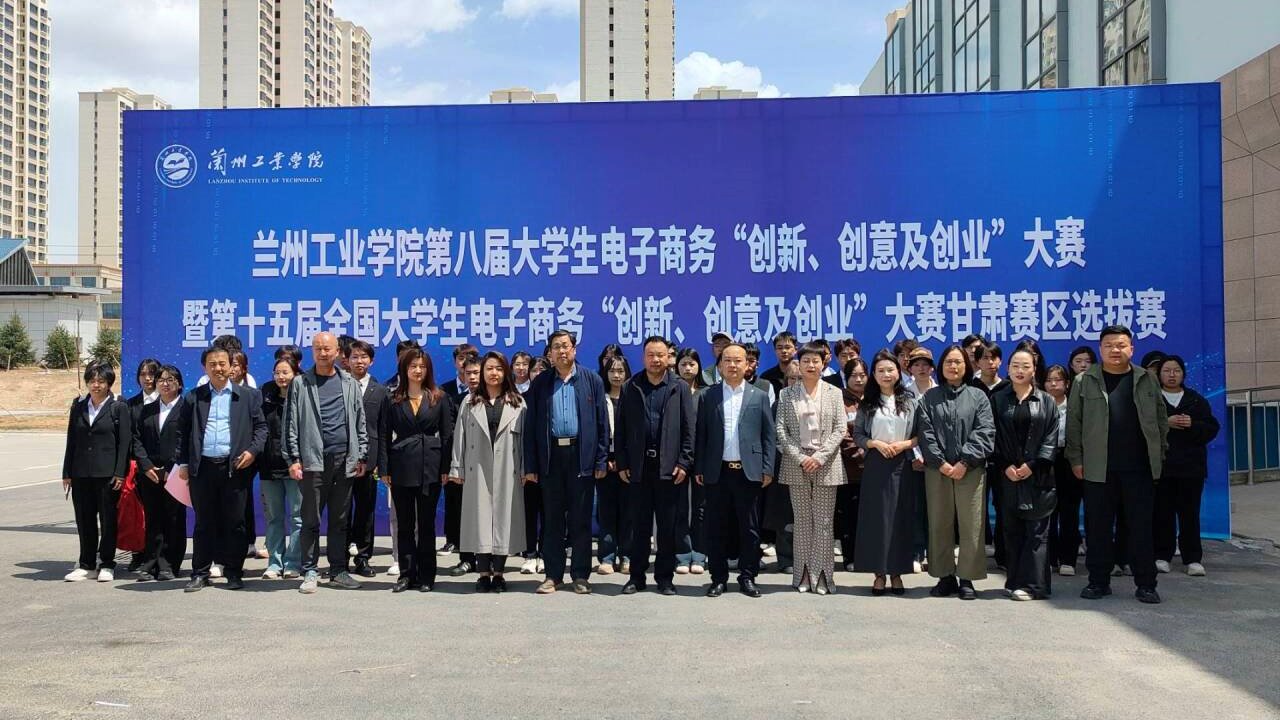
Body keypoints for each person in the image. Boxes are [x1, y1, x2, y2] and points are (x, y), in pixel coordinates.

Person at [1066, 325, 1169, 604]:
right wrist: (1076, 459)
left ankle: (1146, 584)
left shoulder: (1146, 378)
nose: (1115, 350)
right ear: (1100, 349)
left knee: (1141, 528)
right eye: (1109, 345)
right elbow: (1074, 423)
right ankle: (1098, 582)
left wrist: (1159, 455)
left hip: (1139, 468)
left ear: (1131, 349)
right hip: (1098, 468)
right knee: (1098, 528)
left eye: (1121, 345)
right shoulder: (1084, 380)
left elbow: (1161, 420)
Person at [523, 329, 609, 595]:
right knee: (552, 520)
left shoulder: (591, 380)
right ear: (549, 353)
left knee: (580, 520)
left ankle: (580, 575)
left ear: (574, 349)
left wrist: (601, 460)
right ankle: (553, 575)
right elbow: (530, 426)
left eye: (565, 346)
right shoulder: (541, 383)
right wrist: (531, 465)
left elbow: (602, 424)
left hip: (580, 456)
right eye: (556, 347)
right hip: (551, 458)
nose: (561, 351)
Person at [176, 347, 267, 592]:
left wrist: (252, 452)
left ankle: (234, 572)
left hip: (234, 467)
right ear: (205, 367)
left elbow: (261, 429)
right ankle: (200, 573)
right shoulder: (193, 397)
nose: (218, 368)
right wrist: (183, 463)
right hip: (202, 468)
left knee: (235, 522)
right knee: (204, 522)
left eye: (223, 363)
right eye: (212, 364)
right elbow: (182, 432)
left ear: (231, 366)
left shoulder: (248, 396)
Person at [285, 332, 369, 594]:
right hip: (313, 462)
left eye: (327, 349)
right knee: (310, 519)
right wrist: (293, 459)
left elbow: (360, 421)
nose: (322, 353)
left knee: (340, 520)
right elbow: (291, 423)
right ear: (312, 351)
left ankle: (338, 570)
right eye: (318, 348)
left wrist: (361, 454)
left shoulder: (349, 383)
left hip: (344, 460)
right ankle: (309, 570)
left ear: (338, 352)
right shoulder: (300, 383)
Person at [616, 336, 695, 596]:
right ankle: (636, 577)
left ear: (668, 357)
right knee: (639, 526)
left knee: (667, 528)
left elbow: (689, 429)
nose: (656, 360)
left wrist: (684, 462)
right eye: (651, 355)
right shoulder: (631, 386)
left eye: (660, 355)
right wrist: (623, 462)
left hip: (669, 469)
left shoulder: (679, 387)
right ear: (643, 358)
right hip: (639, 468)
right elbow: (622, 428)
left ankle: (664, 578)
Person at [695, 343, 775, 598]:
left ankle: (748, 576)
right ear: (719, 365)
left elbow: (768, 436)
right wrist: (700, 467)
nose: (732, 365)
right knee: (716, 527)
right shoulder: (708, 396)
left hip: (748, 473)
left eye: (738, 360)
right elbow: (701, 435)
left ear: (747, 364)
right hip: (717, 471)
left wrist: (767, 468)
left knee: (749, 529)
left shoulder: (759, 396)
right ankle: (718, 578)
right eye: (727, 360)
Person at [917, 345, 995, 601]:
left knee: (971, 525)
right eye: (949, 362)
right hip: (937, 469)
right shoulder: (929, 398)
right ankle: (945, 576)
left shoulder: (978, 396)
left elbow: (985, 431)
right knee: (939, 522)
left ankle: (967, 578)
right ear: (941, 367)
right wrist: (940, 463)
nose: (953, 366)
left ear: (966, 366)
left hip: (970, 470)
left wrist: (965, 462)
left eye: (958, 362)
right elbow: (925, 432)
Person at [450, 352, 527, 593]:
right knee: (480, 521)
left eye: (499, 368)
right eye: (489, 368)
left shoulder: (517, 402)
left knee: (503, 520)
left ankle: (500, 574)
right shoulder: (470, 402)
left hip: (508, 469)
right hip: (478, 468)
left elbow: (525, 441)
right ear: (482, 372)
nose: (494, 373)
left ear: (506, 372)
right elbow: (459, 437)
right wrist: (457, 467)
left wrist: (526, 470)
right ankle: (483, 574)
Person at [776, 341, 847, 594]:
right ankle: (804, 574)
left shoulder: (834, 393)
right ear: (799, 364)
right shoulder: (787, 394)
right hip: (797, 464)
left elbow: (841, 428)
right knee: (803, 521)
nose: (810, 365)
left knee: (824, 522)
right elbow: (781, 430)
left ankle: (824, 575)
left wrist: (820, 457)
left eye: (815, 361)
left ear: (823, 364)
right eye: (805, 360)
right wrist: (800, 457)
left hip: (826, 464)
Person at [991, 348, 1059, 601]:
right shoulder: (998, 399)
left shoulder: (1046, 400)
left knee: (1037, 532)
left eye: (1026, 366)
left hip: (1039, 475)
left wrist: (1033, 465)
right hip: (1007, 475)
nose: (1020, 371)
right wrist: (1005, 465)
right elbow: (991, 435)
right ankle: (1015, 581)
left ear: (1034, 370)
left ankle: (1035, 585)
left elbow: (1051, 438)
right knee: (1012, 531)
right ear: (1007, 369)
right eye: (1015, 366)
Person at [383, 348, 453, 593]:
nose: (417, 370)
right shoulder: (393, 398)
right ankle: (406, 574)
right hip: (401, 465)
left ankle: (426, 575)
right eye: (413, 366)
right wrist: (384, 468)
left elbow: (447, 435)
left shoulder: (438, 397)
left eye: (422, 366)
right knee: (404, 523)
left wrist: (445, 467)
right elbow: (383, 435)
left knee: (426, 523)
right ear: (404, 369)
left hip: (430, 466)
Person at [852, 351, 919, 596]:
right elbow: (858, 434)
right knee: (877, 520)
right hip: (876, 465)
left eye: (890, 370)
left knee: (900, 519)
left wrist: (904, 445)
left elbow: (920, 434)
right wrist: (875, 444)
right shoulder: (868, 403)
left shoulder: (910, 401)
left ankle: (897, 573)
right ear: (874, 375)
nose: (886, 374)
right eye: (880, 370)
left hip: (902, 464)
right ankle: (879, 574)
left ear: (898, 372)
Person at [62, 362, 133, 583]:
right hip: (81, 472)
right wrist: (67, 472)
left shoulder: (118, 406)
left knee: (108, 519)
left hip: (108, 474)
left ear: (109, 383)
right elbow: (72, 440)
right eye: (92, 380)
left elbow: (124, 443)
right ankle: (87, 564)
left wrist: (120, 473)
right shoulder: (79, 405)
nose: (96, 385)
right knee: (84, 520)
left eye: (101, 381)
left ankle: (107, 563)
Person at [1154, 355, 1219, 577]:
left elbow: (1211, 428)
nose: (1171, 375)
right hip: (1162, 466)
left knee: (1189, 514)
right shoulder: (1153, 399)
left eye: (1176, 371)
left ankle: (1192, 558)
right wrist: (1166, 423)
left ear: (1183, 374)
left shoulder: (1196, 400)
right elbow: (1142, 427)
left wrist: (1193, 424)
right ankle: (1162, 555)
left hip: (1191, 468)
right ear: (1159, 374)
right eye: (1166, 371)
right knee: (1162, 513)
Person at [130, 364, 189, 581]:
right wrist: (146, 465)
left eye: (170, 379)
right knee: (153, 518)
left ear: (179, 384)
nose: (165, 383)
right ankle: (150, 562)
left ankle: (169, 563)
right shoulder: (148, 409)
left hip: (175, 474)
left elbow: (186, 440)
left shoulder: (186, 408)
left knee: (173, 519)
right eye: (161, 380)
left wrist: (170, 468)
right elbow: (136, 439)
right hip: (150, 474)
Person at [344, 340, 388, 578]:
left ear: (371, 361)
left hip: (368, 461)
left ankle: (362, 558)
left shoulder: (380, 391)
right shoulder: (338, 385)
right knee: (341, 512)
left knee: (365, 511)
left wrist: (380, 462)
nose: (359, 361)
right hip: (341, 459)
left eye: (363, 357)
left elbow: (383, 429)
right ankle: (339, 560)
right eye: (354, 357)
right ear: (347, 360)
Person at [258, 355, 302, 580]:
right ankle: (275, 563)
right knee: (274, 517)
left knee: (297, 517)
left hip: (296, 466)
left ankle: (293, 562)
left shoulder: (303, 397)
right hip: (269, 466)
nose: (281, 377)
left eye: (286, 372)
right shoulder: (265, 397)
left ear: (295, 374)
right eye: (277, 373)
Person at [446, 353, 484, 577]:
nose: (472, 377)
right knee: (466, 516)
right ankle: (467, 559)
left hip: (490, 468)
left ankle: (489, 561)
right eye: (468, 373)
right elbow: (457, 437)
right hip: (467, 467)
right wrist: (456, 466)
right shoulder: (463, 401)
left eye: (476, 373)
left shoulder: (499, 399)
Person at [596, 354, 633, 575]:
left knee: (629, 513)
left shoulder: (634, 397)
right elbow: (595, 433)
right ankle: (607, 557)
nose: (616, 375)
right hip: (605, 464)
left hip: (628, 466)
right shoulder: (600, 398)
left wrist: (624, 461)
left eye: (620, 371)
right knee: (607, 513)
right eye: (612, 371)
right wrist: (604, 460)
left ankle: (627, 556)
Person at [228, 349, 267, 562]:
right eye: (229, 364)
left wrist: (252, 450)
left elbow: (260, 426)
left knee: (244, 500)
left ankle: (248, 542)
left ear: (244, 368)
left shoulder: (253, 393)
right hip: (222, 456)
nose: (231, 369)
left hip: (248, 455)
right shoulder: (215, 392)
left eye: (235, 364)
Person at [1043, 365, 1081, 576]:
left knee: (1069, 511)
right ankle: (1050, 558)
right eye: (1049, 380)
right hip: (1045, 462)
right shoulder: (1039, 405)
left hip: (1068, 460)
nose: (1053, 384)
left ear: (1067, 384)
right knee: (1048, 513)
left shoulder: (1075, 407)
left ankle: (1068, 559)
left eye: (1058, 380)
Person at [125, 357, 161, 573]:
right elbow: (131, 437)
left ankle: (161, 557)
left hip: (163, 467)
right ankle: (138, 554)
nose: (148, 379)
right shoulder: (130, 404)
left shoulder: (169, 401)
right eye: (143, 374)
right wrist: (142, 463)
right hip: (139, 467)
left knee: (161, 515)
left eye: (152, 374)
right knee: (138, 515)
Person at [674, 348, 708, 575]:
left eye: (691, 364)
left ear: (698, 367)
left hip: (702, 458)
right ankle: (682, 555)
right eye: (683, 364)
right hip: (677, 459)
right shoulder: (671, 390)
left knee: (701, 509)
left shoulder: (707, 393)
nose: (687, 368)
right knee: (679, 509)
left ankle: (700, 554)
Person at [836, 358, 869, 571]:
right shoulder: (839, 400)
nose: (858, 379)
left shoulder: (875, 398)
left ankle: (869, 556)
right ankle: (850, 557)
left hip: (875, 470)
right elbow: (842, 434)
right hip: (850, 470)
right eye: (853, 375)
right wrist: (861, 455)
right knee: (850, 515)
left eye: (862, 375)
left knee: (870, 516)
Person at [760, 331, 798, 396]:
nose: (783, 351)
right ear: (775, 350)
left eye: (787, 347)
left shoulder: (803, 374)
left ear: (796, 350)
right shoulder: (766, 377)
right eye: (780, 348)